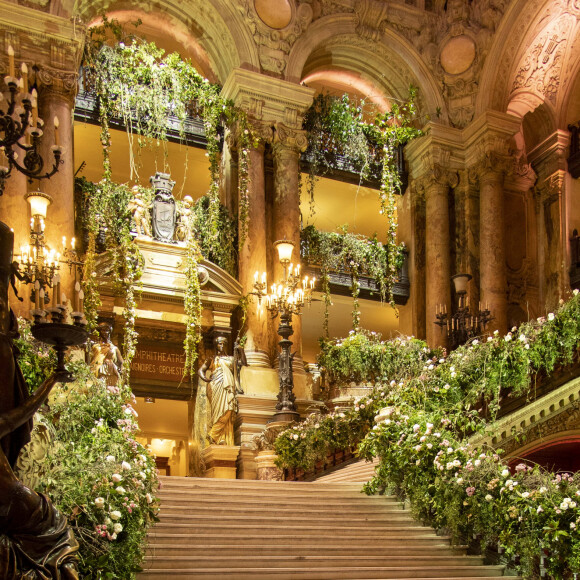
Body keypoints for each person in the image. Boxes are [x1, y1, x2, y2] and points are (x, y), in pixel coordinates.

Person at [198, 336, 247, 446]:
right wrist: (206, 378)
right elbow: (201, 370)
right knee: (219, 411)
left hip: (228, 386)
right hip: (216, 385)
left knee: (228, 409)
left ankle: (213, 435)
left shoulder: (231, 359)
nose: (222, 346)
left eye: (224, 344)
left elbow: (243, 363)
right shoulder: (212, 359)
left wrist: (241, 349)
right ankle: (218, 437)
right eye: (220, 344)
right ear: (216, 346)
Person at [90, 322, 123, 387]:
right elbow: (91, 359)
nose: (105, 332)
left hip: (111, 371)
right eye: (103, 330)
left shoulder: (114, 348)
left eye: (107, 330)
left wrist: (120, 369)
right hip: (98, 370)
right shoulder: (95, 346)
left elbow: (121, 362)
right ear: (100, 332)